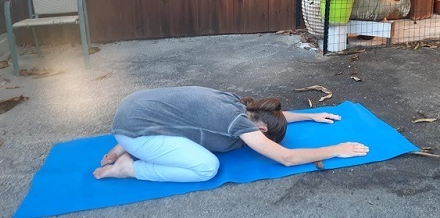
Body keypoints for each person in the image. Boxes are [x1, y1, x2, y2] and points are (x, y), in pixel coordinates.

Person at [93, 86, 369, 182]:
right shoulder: (237, 122)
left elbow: (267, 115)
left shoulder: (239, 103)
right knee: (206, 167)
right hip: (134, 128)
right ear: (260, 130)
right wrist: (335, 149)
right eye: (263, 137)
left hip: (136, 109)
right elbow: (286, 158)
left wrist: (308, 115)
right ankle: (130, 167)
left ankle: (126, 145)